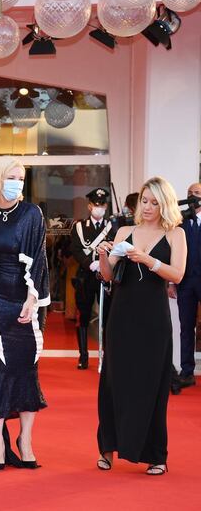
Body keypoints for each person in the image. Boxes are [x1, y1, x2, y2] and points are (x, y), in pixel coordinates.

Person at [96, 177, 186, 476]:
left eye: (154, 202)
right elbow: (108, 277)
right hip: (121, 315)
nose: (147, 207)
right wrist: (103, 256)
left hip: (153, 318)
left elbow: (177, 275)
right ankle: (107, 450)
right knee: (113, 381)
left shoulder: (175, 234)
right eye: (145, 201)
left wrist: (148, 260)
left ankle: (155, 454)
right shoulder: (125, 230)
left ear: (165, 204)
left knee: (152, 384)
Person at [0, 157, 50, 471]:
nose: (17, 182)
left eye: (21, 177)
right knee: (0, 367)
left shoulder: (32, 214)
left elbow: (39, 259)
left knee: (27, 367)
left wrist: (32, 298)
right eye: (12, 176)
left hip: (26, 297)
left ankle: (25, 439)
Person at [70, 188, 115, 370]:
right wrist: (90, 263)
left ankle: (105, 356)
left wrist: (104, 264)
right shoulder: (79, 227)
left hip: (106, 277)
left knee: (107, 317)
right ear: (89, 206)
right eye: (95, 205)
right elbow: (75, 249)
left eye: (102, 205)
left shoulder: (113, 227)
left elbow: (117, 248)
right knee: (84, 316)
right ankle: (83, 356)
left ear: (106, 206)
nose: (99, 208)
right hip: (86, 276)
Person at [170, 182, 201, 389]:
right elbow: (173, 252)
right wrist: (172, 281)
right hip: (186, 282)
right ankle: (187, 372)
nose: (193, 196)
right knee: (186, 327)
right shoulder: (180, 222)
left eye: (197, 193)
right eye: (190, 193)